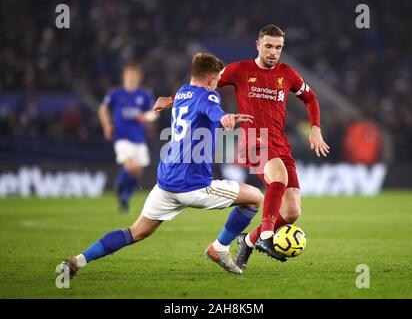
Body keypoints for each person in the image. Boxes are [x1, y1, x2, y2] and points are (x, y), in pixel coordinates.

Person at [60, 53, 262, 277]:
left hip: (166, 183)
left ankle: (78, 260)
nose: (217, 84)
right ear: (211, 78)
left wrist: (169, 100)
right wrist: (225, 117)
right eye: (217, 79)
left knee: (135, 232)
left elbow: (190, 101)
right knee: (255, 198)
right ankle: (220, 248)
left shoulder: (183, 92)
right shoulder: (210, 96)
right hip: (194, 185)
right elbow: (212, 109)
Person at [154, 24, 330, 269]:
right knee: (278, 175)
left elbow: (310, 98)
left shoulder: (288, 74)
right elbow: (202, 86)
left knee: (292, 212)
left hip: (280, 144)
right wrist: (172, 100)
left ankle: (248, 240)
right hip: (253, 139)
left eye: (278, 47)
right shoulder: (239, 70)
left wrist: (315, 127)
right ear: (258, 45)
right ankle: (267, 237)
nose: (273, 52)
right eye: (268, 46)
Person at [98, 63, 158, 213]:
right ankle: (118, 186)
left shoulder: (144, 94)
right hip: (122, 137)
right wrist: (106, 125)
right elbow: (103, 108)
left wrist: (146, 116)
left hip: (139, 138)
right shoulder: (115, 94)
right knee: (130, 166)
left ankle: (125, 198)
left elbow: (155, 112)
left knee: (137, 172)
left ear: (139, 77)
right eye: (129, 74)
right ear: (124, 76)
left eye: (134, 74)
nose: (132, 77)